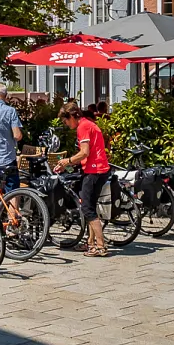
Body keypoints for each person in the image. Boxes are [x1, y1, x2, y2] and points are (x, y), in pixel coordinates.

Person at [52, 101, 111, 257]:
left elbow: (84, 152)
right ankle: (91, 244)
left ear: (72, 116)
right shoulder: (88, 123)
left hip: (94, 171)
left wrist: (67, 161)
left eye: (65, 121)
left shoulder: (83, 127)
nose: (65, 124)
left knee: (87, 208)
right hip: (100, 169)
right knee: (90, 206)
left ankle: (100, 246)